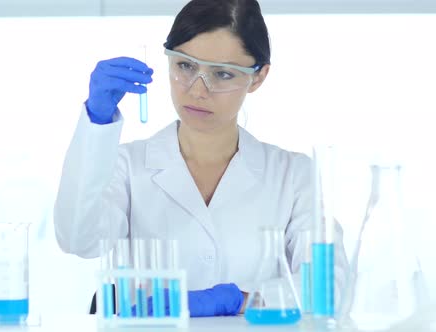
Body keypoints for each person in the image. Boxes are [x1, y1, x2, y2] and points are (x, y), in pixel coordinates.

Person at [54, 0, 348, 317]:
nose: (198, 90)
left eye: (221, 74)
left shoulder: (293, 174)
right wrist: (97, 120)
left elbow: (330, 286)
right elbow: (77, 240)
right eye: (185, 66)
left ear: (259, 77)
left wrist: (242, 301)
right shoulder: (127, 165)